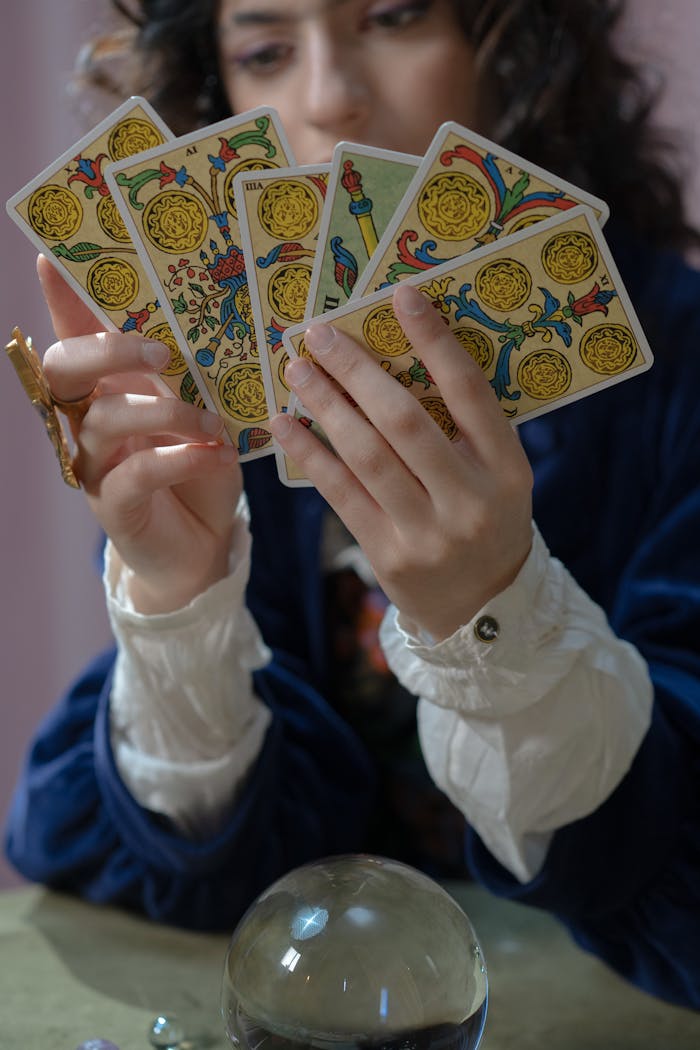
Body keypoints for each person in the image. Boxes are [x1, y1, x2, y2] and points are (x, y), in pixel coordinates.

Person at [6, 0, 700, 1011]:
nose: (330, 96)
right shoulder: (213, 379)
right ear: (220, 92)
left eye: (395, 15)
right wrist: (175, 601)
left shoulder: (672, 363)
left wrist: (497, 613)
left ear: (509, 47)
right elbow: (120, 856)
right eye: (266, 49)